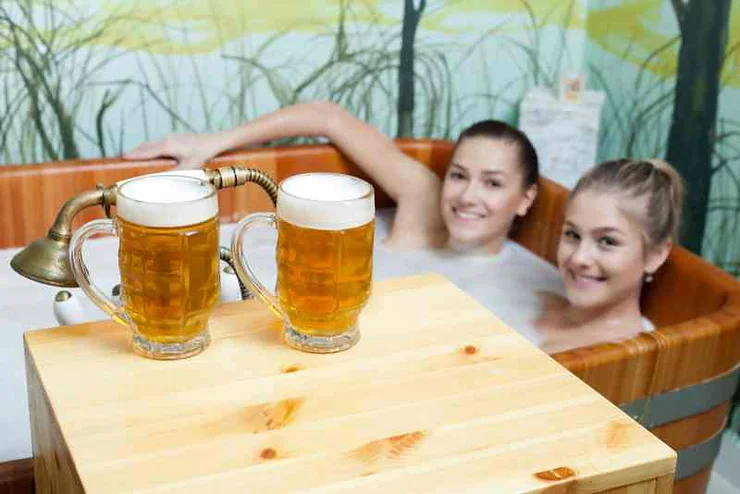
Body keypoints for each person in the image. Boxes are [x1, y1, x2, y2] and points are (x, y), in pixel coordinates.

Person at [126, 101, 539, 255]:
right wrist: (214, 142)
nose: (468, 196)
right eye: (459, 175)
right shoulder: (424, 196)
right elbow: (326, 117)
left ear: (525, 199)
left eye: (493, 183)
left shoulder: (520, 283)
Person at [535, 158, 684, 354]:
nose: (580, 258)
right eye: (573, 234)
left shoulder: (618, 361)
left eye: (607, 241)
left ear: (655, 255)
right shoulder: (540, 301)